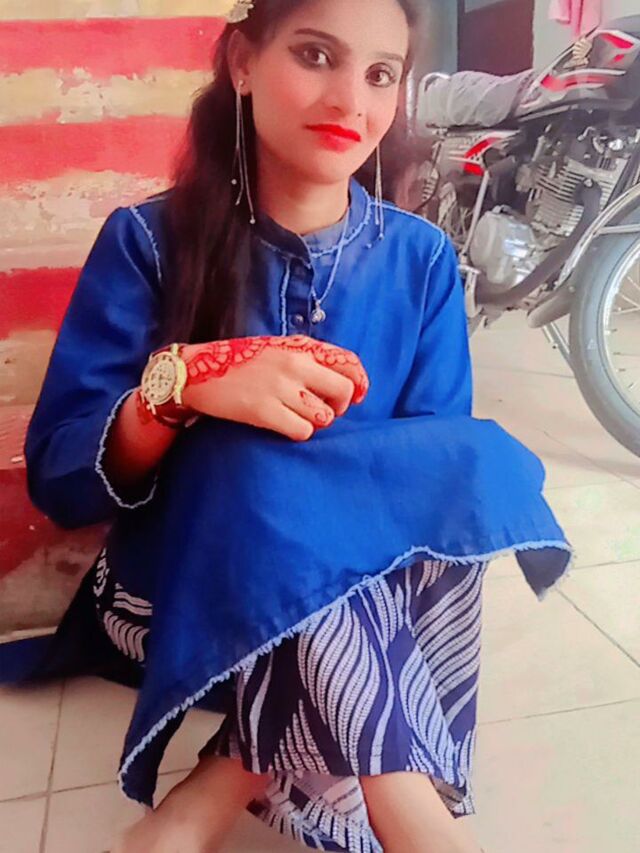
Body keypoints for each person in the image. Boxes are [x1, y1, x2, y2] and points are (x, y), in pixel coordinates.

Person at [2, 1, 573, 851]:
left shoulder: (420, 260)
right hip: (180, 604)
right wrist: (189, 384)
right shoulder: (148, 242)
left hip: (357, 604)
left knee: (475, 458)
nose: (351, 100)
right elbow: (61, 477)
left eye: (380, 74)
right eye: (315, 55)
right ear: (242, 63)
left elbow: (428, 490)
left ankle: (221, 781)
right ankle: (408, 806)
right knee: (247, 460)